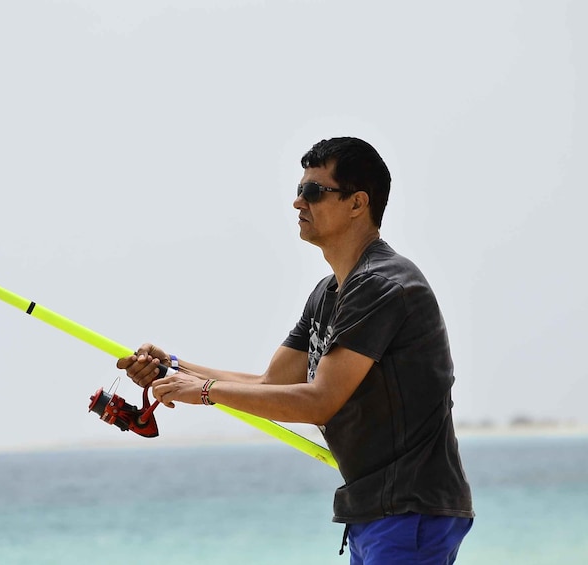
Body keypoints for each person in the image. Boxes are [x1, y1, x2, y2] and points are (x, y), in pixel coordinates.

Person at [117, 137, 474, 564]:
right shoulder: (329, 293)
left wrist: (205, 390)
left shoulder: (381, 285)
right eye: (299, 189)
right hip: (375, 511)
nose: (297, 202)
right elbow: (273, 384)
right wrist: (172, 368)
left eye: (313, 191)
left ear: (358, 203)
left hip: (409, 510)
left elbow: (319, 401)